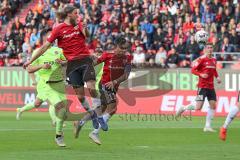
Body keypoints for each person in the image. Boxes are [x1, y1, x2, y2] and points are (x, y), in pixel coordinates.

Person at [23, 5, 107, 135]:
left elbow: (88, 36)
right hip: (72, 65)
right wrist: (30, 61)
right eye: (75, 13)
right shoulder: (58, 29)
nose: (77, 15)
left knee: (91, 87)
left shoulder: (79, 24)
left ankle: (99, 115)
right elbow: (45, 47)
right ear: (69, 14)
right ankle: (92, 114)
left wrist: (85, 28)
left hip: (85, 60)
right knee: (79, 95)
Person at [22, 29, 98, 147]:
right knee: (59, 108)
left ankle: (60, 133)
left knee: (62, 111)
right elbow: (29, 69)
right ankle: (59, 135)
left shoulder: (58, 51)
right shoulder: (37, 52)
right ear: (43, 39)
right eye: (49, 36)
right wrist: (42, 66)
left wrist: (62, 62)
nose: (52, 38)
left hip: (59, 84)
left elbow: (68, 63)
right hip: (47, 85)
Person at [76, 37, 133, 145]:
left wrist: (115, 82)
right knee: (113, 108)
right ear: (116, 46)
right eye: (122, 48)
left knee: (101, 109)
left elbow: (126, 75)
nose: (124, 50)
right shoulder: (107, 55)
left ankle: (81, 121)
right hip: (105, 85)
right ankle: (95, 133)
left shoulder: (128, 58)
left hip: (113, 86)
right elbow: (93, 63)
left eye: (126, 48)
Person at [176, 42, 221, 132]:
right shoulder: (201, 59)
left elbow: (214, 70)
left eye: (211, 47)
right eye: (208, 47)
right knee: (198, 108)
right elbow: (193, 70)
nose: (210, 49)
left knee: (213, 105)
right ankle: (183, 108)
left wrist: (218, 77)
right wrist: (201, 74)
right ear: (205, 49)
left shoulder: (214, 60)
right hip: (202, 86)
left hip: (211, 87)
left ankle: (207, 126)